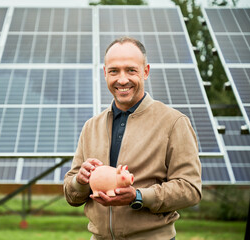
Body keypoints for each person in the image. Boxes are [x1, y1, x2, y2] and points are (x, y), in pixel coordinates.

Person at [63, 36, 202, 240]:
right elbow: (71, 195)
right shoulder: (91, 126)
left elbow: (191, 189)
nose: (122, 79)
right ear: (105, 73)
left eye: (131, 70)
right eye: (114, 71)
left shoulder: (174, 122)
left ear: (145, 72)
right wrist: (79, 181)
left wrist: (138, 196)